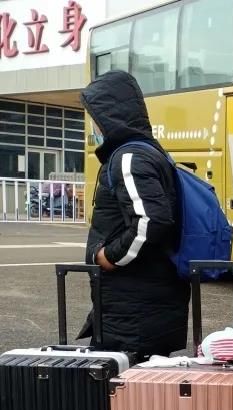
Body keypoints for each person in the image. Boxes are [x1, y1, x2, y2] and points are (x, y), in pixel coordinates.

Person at [79, 70, 189, 360]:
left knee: (123, 388)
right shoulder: (150, 153)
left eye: (95, 115)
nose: (93, 124)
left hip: (134, 304)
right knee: (145, 392)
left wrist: (110, 256)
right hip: (147, 303)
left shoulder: (129, 158)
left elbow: (151, 221)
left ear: (110, 114)